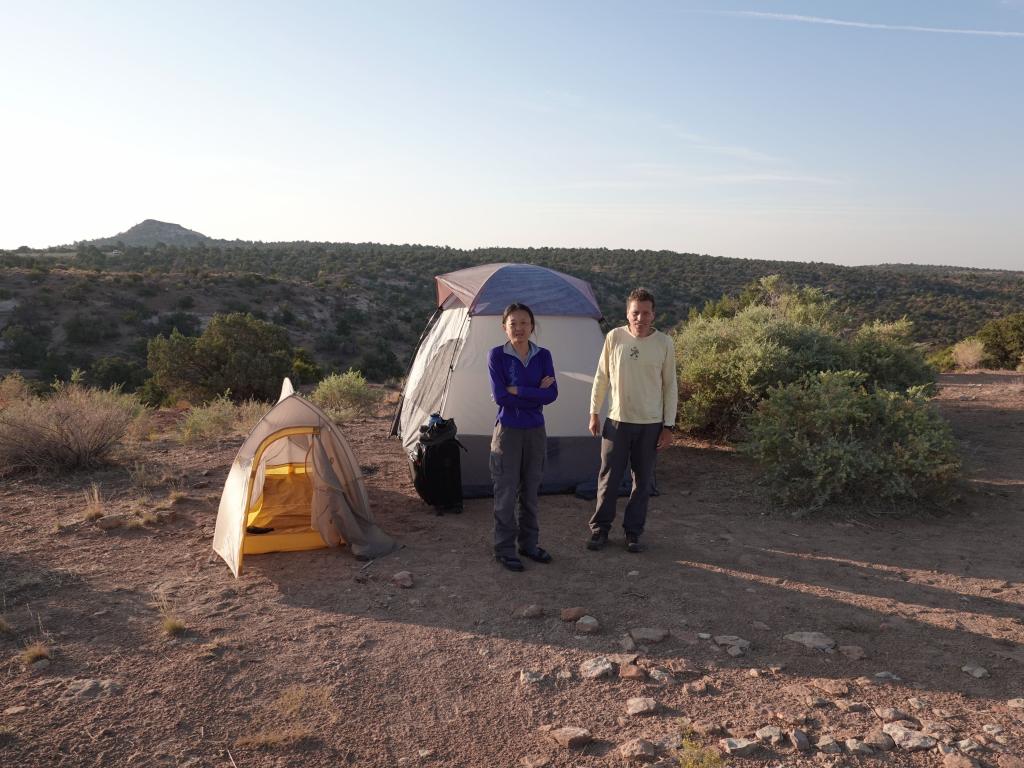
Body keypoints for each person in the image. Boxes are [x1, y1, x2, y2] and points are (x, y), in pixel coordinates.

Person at [587, 287, 677, 553]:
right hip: (617, 422)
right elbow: (601, 376)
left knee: (642, 481)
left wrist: (669, 426)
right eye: (635, 313)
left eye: (645, 313)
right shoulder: (614, 337)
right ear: (627, 314)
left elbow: (670, 386)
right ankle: (600, 529)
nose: (640, 318)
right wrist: (593, 411)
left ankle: (633, 532)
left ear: (653, 315)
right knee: (609, 478)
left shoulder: (664, 343)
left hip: (650, 424)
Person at [487, 302, 558, 571]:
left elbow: (552, 394)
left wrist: (518, 390)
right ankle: (504, 549)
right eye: (513, 323)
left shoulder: (543, 355)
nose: (519, 328)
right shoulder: (496, 355)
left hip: (535, 431)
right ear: (504, 327)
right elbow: (500, 396)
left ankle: (529, 545)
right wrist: (534, 392)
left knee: (530, 491)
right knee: (505, 493)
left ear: (532, 326)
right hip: (508, 431)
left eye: (524, 323)